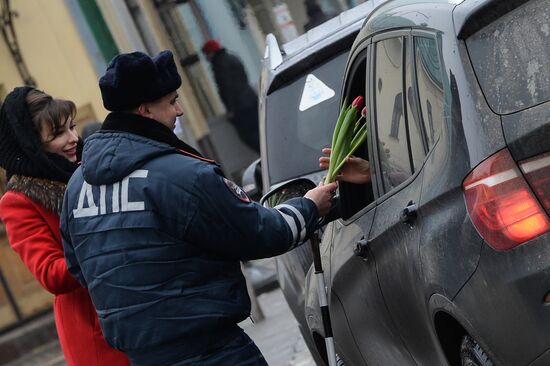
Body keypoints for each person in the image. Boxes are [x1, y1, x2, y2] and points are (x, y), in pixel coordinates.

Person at [60, 50, 336, 366]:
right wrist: (310, 206)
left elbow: (81, 268)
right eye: (171, 101)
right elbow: (260, 233)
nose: (179, 110)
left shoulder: (77, 187)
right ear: (145, 110)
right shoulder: (182, 175)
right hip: (211, 352)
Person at [0, 87, 129, 366]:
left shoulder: (91, 169)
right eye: (58, 134)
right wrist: (106, 242)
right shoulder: (19, 200)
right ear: (31, 144)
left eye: (72, 127)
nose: (73, 139)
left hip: (140, 309)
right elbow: (51, 274)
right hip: (96, 327)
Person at [201, 39, 260, 153]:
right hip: (251, 99)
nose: (206, 59)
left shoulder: (219, 65)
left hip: (240, 108)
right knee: (260, 130)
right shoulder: (232, 57)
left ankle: (267, 155)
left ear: (211, 53)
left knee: (249, 136)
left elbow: (226, 88)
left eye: (206, 55)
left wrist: (231, 110)